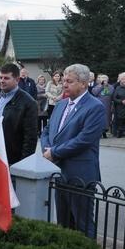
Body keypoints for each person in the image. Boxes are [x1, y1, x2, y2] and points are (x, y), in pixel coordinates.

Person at [41, 64, 106, 239]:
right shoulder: (61, 105)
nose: (64, 85)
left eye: (69, 82)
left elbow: (83, 140)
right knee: (63, 224)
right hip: (59, 173)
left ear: (83, 83)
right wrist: (47, 150)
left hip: (80, 177)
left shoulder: (95, 107)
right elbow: (47, 131)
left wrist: (54, 153)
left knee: (82, 225)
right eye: (63, 81)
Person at [0, 63, 38, 166]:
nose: (2, 81)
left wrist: (23, 166)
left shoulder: (28, 103)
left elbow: (30, 138)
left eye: (6, 78)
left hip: (12, 162)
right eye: (0, 77)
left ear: (17, 80)